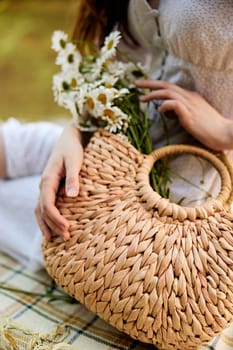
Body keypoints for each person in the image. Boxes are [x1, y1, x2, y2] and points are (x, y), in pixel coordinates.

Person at [35, 0, 233, 241]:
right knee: (10, 145)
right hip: (115, 162)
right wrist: (75, 133)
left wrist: (226, 132)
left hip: (194, 195)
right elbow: (111, 79)